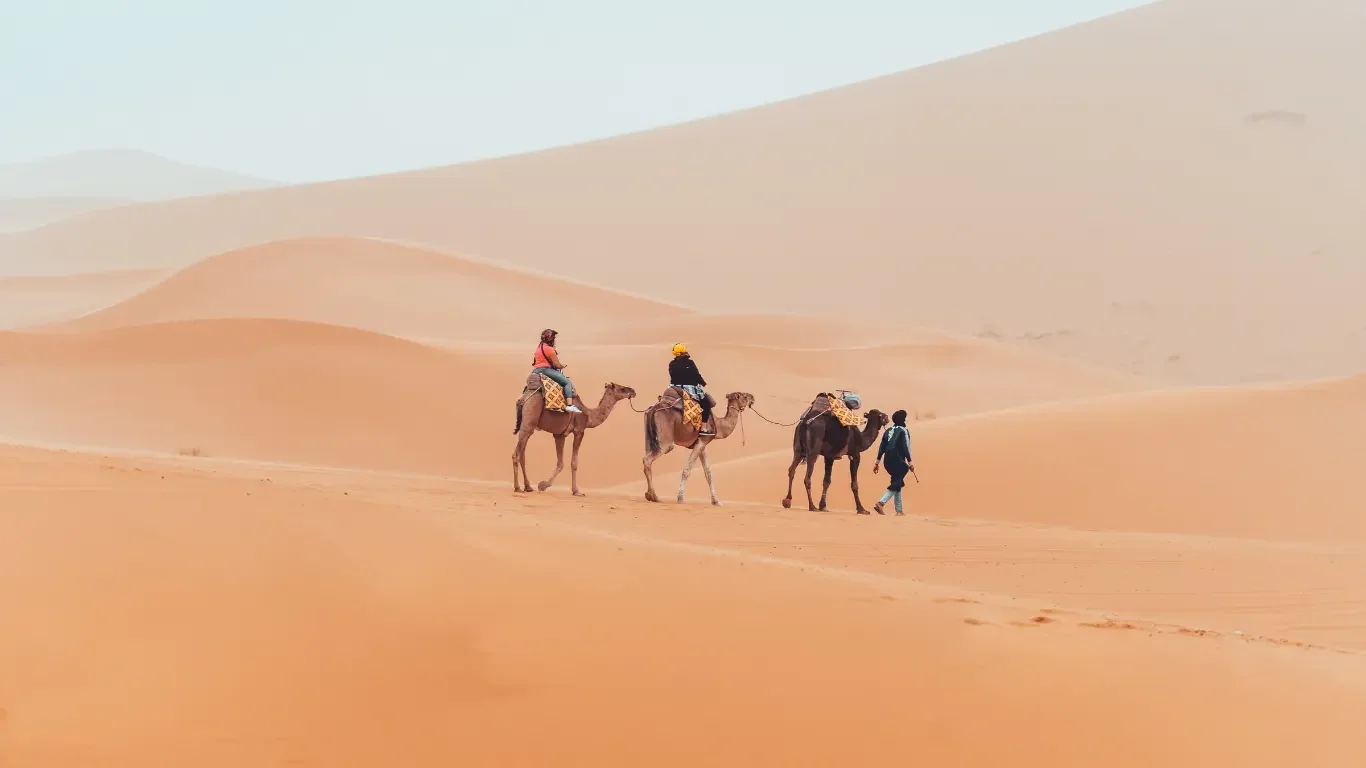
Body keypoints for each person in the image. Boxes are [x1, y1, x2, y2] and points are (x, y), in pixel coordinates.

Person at [872, 409, 914, 515]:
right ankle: (881, 503)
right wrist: (910, 463)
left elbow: (882, 447)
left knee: (897, 482)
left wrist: (877, 462)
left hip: (887, 461)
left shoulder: (888, 430)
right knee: (897, 481)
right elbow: (905, 447)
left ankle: (899, 510)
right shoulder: (903, 430)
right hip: (899, 460)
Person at [668, 343, 715, 433]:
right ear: (682, 353)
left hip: (674, 388)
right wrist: (702, 382)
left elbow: (673, 376)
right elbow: (696, 375)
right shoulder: (690, 362)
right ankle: (703, 427)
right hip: (689, 389)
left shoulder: (672, 364)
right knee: (706, 403)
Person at [531, 328, 581, 413]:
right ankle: (569, 405)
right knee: (567, 382)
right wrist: (563, 366)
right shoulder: (550, 349)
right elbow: (557, 365)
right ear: (551, 339)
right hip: (545, 370)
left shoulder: (539, 348)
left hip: (535, 371)